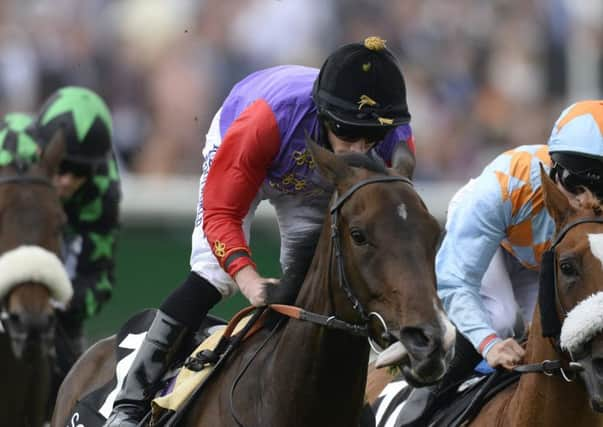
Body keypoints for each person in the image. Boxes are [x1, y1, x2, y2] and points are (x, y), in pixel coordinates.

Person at [104, 36, 416, 426]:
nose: (357, 149)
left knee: (322, 286)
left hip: (314, 176)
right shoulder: (266, 120)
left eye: (369, 139)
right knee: (213, 276)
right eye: (347, 134)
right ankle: (129, 404)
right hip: (250, 147)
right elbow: (221, 213)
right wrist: (248, 278)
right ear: (324, 115)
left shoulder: (393, 138)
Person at [398, 100, 603, 427]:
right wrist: (489, 343)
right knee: (503, 320)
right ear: (555, 169)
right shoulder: (502, 187)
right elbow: (455, 280)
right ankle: (419, 404)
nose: (586, 202)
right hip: (495, 247)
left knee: (555, 338)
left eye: (600, 190)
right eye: (576, 187)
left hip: (546, 261)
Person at [34, 86, 121, 401]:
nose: (67, 180)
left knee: (73, 385)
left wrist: (62, 301)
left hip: (54, 315)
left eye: (80, 170)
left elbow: (97, 280)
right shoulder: (11, 161)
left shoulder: (101, 193)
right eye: (61, 166)